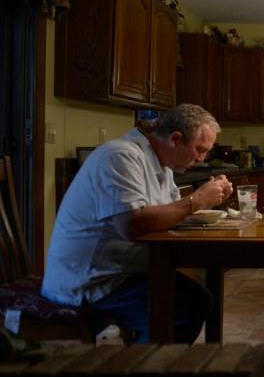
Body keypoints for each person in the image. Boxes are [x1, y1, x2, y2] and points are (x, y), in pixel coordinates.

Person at [42, 103, 234, 344]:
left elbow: (173, 214)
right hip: (90, 282)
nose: (201, 159)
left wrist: (207, 200)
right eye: (199, 149)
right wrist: (196, 200)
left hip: (120, 272)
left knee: (200, 298)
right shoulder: (121, 156)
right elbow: (132, 224)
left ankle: (153, 366)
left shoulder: (163, 167)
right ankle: (144, 371)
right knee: (185, 307)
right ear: (175, 139)